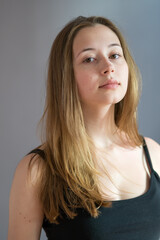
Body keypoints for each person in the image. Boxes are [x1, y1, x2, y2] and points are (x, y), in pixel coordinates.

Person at [8, 16, 160, 240]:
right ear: (66, 76)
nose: (108, 67)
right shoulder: (38, 170)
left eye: (115, 55)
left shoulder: (153, 154)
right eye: (89, 59)